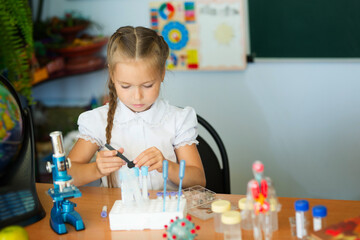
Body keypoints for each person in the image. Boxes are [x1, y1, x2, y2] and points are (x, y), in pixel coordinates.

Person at [67, 26, 206, 190]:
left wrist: (166, 166)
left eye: (147, 85)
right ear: (112, 75)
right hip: (117, 212)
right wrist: (96, 169)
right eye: (126, 86)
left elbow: (199, 180)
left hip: (165, 211)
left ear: (162, 73)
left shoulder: (178, 120)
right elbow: (67, 175)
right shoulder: (98, 121)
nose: (137, 96)